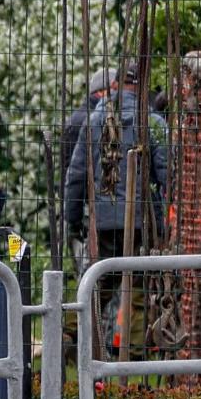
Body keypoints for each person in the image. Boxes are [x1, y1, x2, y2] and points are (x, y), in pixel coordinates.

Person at [61, 70, 170, 258]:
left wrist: (73, 220)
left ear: (114, 85)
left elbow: (76, 176)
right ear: (143, 87)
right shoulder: (153, 123)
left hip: (103, 222)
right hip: (142, 220)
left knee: (103, 280)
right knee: (139, 281)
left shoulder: (93, 122)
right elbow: (167, 173)